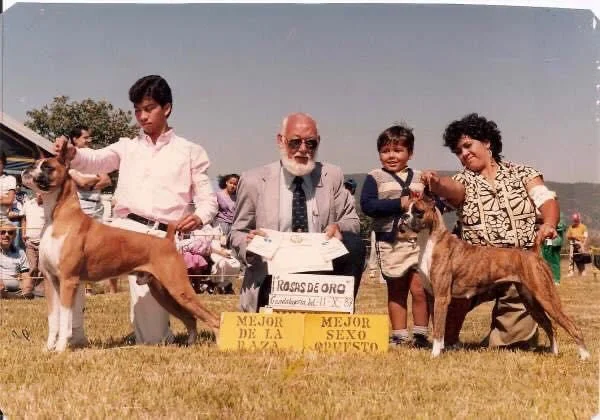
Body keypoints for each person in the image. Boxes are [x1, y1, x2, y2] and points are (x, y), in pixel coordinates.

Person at [54, 74, 218, 345]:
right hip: (123, 231)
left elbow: (207, 199)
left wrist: (200, 216)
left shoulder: (191, 151)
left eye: (149, 108)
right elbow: (94, 160)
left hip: (160, 241)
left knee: (153, 338)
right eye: (137, 110)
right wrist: (72, 153)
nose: (142, 116)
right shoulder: (126, 146)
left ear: (167, 108)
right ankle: (73, 335)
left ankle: (201, 327)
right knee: (73, 261)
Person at [421, 113, 559, 350]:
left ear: (487, 142)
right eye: (457, 151)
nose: (463, 153)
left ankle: (506, 330)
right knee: (443, 294)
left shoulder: (524, 173)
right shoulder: (462, 180)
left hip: (517, 266)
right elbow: (450, 188)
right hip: (472, 269)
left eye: (467, 145)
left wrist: (549, 223)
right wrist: (435, 182)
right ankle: (447, 338)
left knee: (511, 345)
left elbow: (546, 200)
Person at [230, 112, 365, 313]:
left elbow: (352, 220)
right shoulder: (253, 180)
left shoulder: (332, 176)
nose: (303, 150)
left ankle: (337, 313)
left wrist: (339, 227)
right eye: (295, 142)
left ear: (318, 142)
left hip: (322, 275)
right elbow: (237, 232)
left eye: (310, 143)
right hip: (272, 275)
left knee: (354, 244)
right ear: (281, 141)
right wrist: (249, 245)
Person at [360, 124, 430, 348]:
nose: (391, 156)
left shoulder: (421, 178)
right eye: (385, 151)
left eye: (398, 150)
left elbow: (432, 203)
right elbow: (368, 206)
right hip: (390, 243)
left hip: (419, 243)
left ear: (410, 153)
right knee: (396, 290)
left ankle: (421, 334)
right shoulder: (375, 177)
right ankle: (399, 335)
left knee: (420, 288)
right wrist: (399, 203)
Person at [68, 125, 114, 295]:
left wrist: (89, 183)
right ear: (75, 140)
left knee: (100, 246)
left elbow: (107, 180)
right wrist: (94, 180)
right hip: (81, 206)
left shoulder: (95, 158)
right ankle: (84, 286)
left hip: (97, 207)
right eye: (85, 138)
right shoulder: (70, 160)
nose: (89, 140)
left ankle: (109, 288)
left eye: (89, 137)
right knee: (81, 247)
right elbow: (81, 182)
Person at [0, 223, 34, 299]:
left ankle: (17, 296)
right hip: (1, 286)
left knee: (29, 283)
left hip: (16, 288)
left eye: (10, 233)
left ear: (14, 236)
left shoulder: (20, 252)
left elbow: (25, 274)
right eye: (2, 232)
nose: (6, 235)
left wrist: (27, 287)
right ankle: (10, 296)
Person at [22, 192, 46, 296]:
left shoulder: (49, 206)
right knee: (32, 267)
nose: (40, 194)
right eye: (38, 191)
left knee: (42, 268)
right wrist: (23, 233)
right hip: (30, 241)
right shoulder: (28, 204)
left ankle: (39, 292)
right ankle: (28, 290)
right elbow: (24, 220)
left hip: (43, 242)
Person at [541, 212, 566, 284]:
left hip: (555, 240)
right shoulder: (544, 213)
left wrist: (552, 226)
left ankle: (556, 279)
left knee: (554, 261)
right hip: (547, 241)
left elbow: (562, 226)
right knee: (546, 259)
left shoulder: (558, 213)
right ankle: (547, 278)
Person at [566, 212, 588, 276]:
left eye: (576, 220)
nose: (575, 221)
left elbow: (585, 237)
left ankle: (582, 271)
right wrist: (572, 237)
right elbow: (568, 236)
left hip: (580, 244)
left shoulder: (584, 227)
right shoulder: (571, 227)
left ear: (579, 219)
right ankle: (571, 272)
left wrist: (583, 245)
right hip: (572, 244)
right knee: (571, 259)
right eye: (574, 220)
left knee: (580, 258)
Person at [0, 150, 17, 226]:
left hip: (3, 219)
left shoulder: (10, 179)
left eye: (0, 163)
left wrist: (6, 200)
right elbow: (6, 200)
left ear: (4, 164)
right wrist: (2, 198)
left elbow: (10, 200)